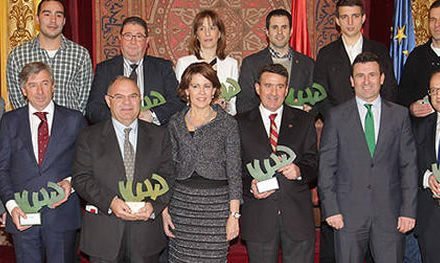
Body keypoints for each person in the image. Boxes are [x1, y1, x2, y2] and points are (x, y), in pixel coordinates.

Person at [318, 52, 418, 263]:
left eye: (372, 75)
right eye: (360, 76)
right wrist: (331, 209)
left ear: (382, 78)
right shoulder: (336, 117)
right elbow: (327, 167)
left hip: (390, 217)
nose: (366, 81)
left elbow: (408, 166)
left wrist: (408, 210)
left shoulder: (399, 116)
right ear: (352, 81)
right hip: (347, 217)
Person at [72, 76, 173, 263]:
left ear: (140, 100)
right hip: (104, 235)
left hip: (146, 234)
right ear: (108, 101)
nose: (127, 102)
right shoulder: (89, 136)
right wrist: (110, 202)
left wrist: (154, 205)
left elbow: (168, 176)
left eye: (133, 96)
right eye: (119, 97)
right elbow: (81, 178)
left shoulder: (160, 135)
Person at [0, 62, 86, 263]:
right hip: (22, 215)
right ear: (23, 90)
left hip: (61, 215)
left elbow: (86, 165)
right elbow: (2, 168)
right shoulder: (9, 121)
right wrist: (11, 207)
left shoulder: (75, 119)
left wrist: (71, 183)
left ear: (53, 86)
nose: (40, 91)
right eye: (32, 85)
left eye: (45, 83)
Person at [237, 63, 318, 263]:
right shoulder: (238, 123)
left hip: (297, 217)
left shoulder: (304, 120)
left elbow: (314, 163)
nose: (274, 92)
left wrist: (299, 171)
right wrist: (250, 185)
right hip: (259, 216)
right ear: (257, 88)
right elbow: (232, 169)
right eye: (268, 86)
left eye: (280, 86)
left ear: (287, 89)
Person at [162, 62, 242, 262]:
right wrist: (164, 210)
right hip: (181, 206)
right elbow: (167, 170)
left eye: (207, 86)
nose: (201, 92)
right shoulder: (174, 122)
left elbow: (234, 172)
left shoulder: (228, 124)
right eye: (195, 86)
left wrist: (234, 216)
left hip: (216, 209)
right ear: (186, 90)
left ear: (214, 90)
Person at [86, 16, 183, 125]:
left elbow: (177, 102)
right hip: (114, 135)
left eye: (139, 36)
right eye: (128, 36)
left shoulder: (163, 67)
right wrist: (120, 119)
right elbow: (93, 108)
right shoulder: (105, 69)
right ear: (120, 39)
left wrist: (152, 115)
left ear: (147, 41)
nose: (133, 41)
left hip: (155, 134)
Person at [314, 0, 397, 120]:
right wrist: (337, 120)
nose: (350, 22)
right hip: (339, 126)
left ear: (363, 18)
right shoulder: (326, 54)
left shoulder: (380, 51)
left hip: (375, 121)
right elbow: (320, 94)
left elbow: (390, 89)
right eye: (344, 17)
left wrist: (380, 118)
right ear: (337, 21)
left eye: (355, 16)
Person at [7, 0, 93, 113]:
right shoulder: (17, 56)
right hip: (31, 127)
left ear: (64, 21)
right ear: (37, 19)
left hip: (69, 127)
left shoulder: (80, 55)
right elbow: (17, 98)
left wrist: (71, 122)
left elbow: (84, 99)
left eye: (58, 15)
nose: (53, 20)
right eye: (47, 14)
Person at [237, 9, 314, 114]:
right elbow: (243, 104)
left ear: (291, 31)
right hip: (260, 128)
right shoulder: (251, 63)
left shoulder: (308, 64)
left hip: (297, 127)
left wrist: (309, 109)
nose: (279, 32)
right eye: (274, 27)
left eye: (284, 27)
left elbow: (315, 100)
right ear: (267, 32)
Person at [175, 9, 239, 115]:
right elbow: (179, 100)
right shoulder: (183, 63)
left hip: (221, 122)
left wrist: (224, 105)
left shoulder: (231, 64)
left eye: (212, 28)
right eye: (202, 29)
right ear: (196, 35)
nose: (207, 33)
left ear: (219, 34)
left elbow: (234, 106)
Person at [412, 69, 440, 263]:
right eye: (433, 90)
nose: (438, 95)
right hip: (430, 220)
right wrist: (426, 178)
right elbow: (408, 165)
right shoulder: (420, 127)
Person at [398, 0, 440, 118]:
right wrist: (411, 108)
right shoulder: (416, 56)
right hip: (421, 131)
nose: (437, 24)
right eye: (433, 20)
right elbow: (402, 96)